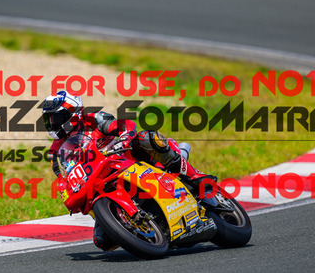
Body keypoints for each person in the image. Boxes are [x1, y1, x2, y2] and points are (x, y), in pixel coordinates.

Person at [42, 91, 216, 251]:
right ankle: (148, 230)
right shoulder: (55, 152)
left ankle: (194, 176)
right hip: (99, 183)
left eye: (56, 118)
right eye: (48, 120)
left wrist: (124, 138)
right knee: (102, 241)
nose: (52, 124)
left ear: (73, 113)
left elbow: (125, 125)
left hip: (127, 159)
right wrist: (68, 192)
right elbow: (63, 177)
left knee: (147, 138)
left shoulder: (93, 120)